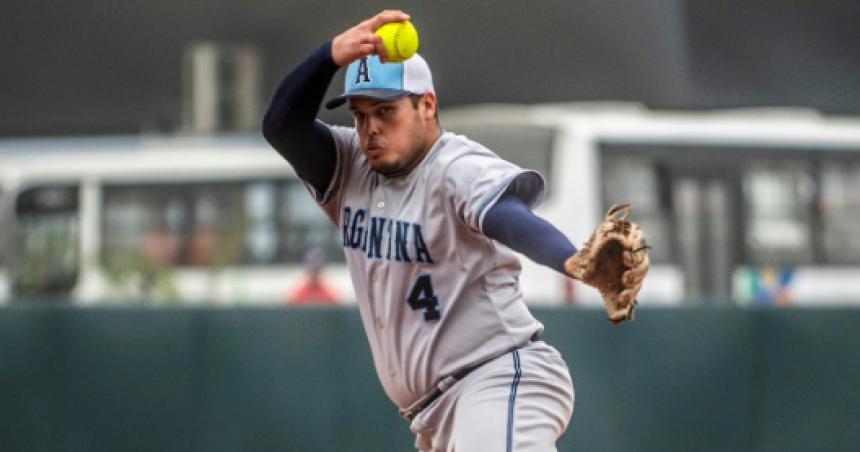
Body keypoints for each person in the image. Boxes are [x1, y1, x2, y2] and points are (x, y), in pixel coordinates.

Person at [263, 10, 582, 450]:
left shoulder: (455, 165)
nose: (370, 127)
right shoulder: (349, 163)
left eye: (385, 111)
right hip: (434, 414)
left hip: (497, 380)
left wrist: (571, 259)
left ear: (426, 104)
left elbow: (509, 217)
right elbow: (281, 126)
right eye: (359, 114)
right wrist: (328, 57)